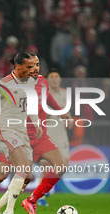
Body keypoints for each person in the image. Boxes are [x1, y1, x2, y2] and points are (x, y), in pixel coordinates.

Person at [0, 54, 68, 214]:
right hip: (7, 131)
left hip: (26, 134)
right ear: (18, 66)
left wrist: (39, 121)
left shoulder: (34, 81)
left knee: (27, 177)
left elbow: (33, 103)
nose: (35, 69)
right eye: (30, 66)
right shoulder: (4, 84)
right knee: (4, 174)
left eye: (36, 65)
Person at [37, 69, 72, 207]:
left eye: (56, 76)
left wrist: (69, 119)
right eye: (51, 77)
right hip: (48, 132)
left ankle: (48, 186)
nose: (54, 79)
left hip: (61, 133)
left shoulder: (64, 93)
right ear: (47, 80)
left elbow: (66, 110)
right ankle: (40, 197)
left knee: (65, 163)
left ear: (60, 79)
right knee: (45, 166)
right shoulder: (44, 94)